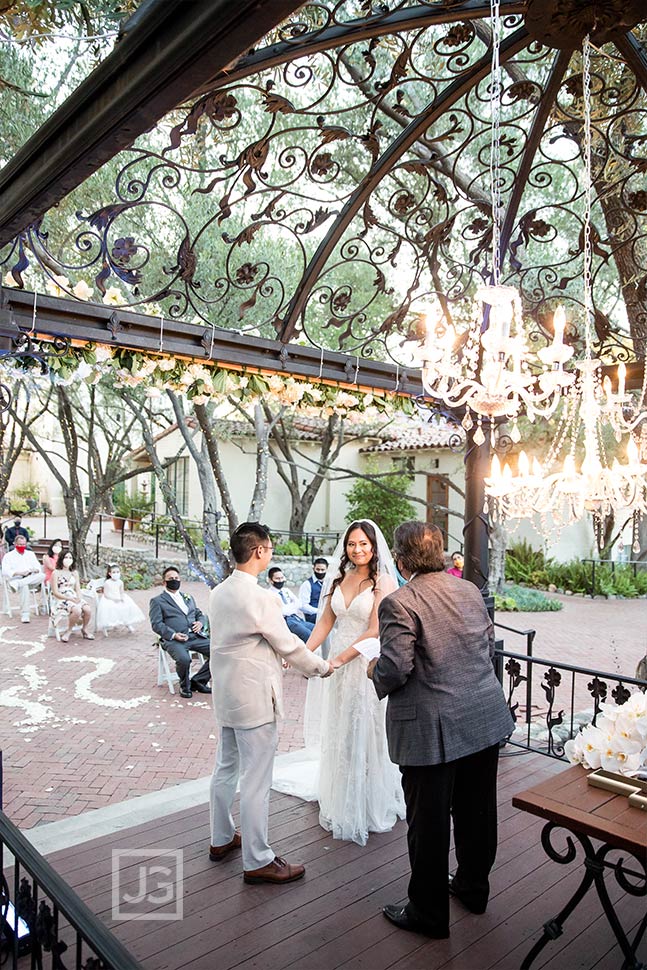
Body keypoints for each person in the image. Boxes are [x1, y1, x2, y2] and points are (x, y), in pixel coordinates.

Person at [369, 521, 514, 939]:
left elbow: (396, 667)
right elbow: (486, 649)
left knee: (428, 823)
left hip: (432, 731)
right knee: (478, 812)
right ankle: (473, 888)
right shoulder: (468, 590)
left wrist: (372, 670)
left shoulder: (400, 602)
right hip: (483, 717)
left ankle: (428, 914)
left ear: (400, 558)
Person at [208, 522, 334, 885]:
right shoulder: (261, 596)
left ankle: (220, 838)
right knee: (256, 780)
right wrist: (321, 667)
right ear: (260, 551)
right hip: (255, 699)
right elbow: (289, 643)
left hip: (228, 695)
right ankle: (258, 859)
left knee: (225, 768)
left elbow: (239, 642)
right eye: (271, 548)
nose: (272, 554)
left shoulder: (219, 592)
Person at [272, 519, 406, 846]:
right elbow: (324, 623)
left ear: (374, 546)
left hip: (364, 665)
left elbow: (375, 630)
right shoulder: (339, 577)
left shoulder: (384, 581)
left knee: (365, 730)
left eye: (363, 544)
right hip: (335, 668)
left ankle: (367, 800)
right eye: (351, 544)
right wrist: (302, 653)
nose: (357, 550)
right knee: (340, 729)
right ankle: (340, 794)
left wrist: (338, 660)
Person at [149, 566, 211, 699]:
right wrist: (173, 634)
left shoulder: (188, 597)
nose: (174, 580)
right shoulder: (157, 601)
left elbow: (199, 614)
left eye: (176, 578)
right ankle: (185, 686)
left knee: (218, 652)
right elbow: (156, 624)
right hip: (174, 639)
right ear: (164, 583)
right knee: (184, 659)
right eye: (171, 579)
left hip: (194, 636)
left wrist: (200, 622)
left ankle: (198, 681)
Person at [50, 550, 94, 641]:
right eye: (66, 557)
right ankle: (69, 631)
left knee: (87, 609)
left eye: (70, 558)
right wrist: (68, 598)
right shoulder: (56, 573)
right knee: (77, 610)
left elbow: (77, 588)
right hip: (61, 597)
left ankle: (84, 629)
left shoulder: (74, 573)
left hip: (73, 595)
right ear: (61, 559)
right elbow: (55, 592)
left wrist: (79, 598)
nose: (68, 559)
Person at [2, 534, 45, 622]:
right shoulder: (8, 556)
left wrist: (34, 570)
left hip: (30, 579)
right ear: (14, 544)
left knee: (42, 576)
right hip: (15, 579)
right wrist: (19, 573)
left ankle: (20, 583)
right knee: (24, 586)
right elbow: (5, 571)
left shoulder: (30, 554)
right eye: (19, 545)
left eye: (23, 544)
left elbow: (38, 567)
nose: (22, 546)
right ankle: (25, 614)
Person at [267, 566, 314, 643]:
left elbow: (299, 604)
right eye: (277, 578)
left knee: (317, 629)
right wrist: (292, 606)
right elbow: (282, 612)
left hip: (297, 618)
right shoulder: (269, 594)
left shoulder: (286, 591)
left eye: (282, 578)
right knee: (308, 635)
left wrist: (288, 608)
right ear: (270, 580)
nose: (281, 580)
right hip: (286, 621)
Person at [96, 563, 145, 635]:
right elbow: (106, 594)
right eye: (114, 572)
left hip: (118, 597)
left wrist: (121, 598)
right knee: (109, 608)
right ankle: (105, 627)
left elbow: (122, 592)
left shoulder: (120, 582)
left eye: (117, 572)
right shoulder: (107, 582)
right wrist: (113, 599)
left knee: (127, 606)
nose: (116, 574)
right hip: (109, 598)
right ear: (110, 573)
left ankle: (128, 624)